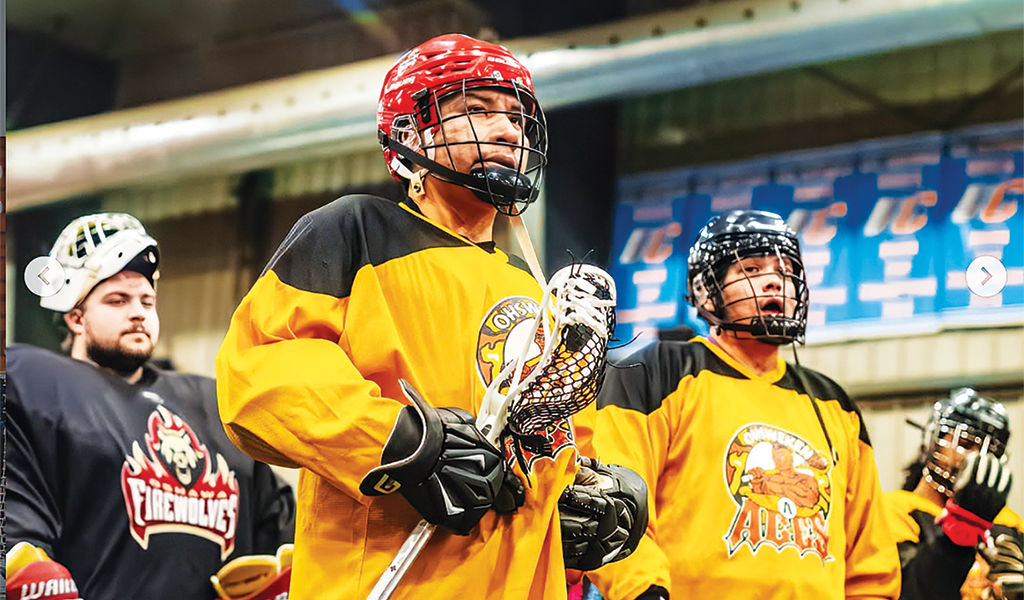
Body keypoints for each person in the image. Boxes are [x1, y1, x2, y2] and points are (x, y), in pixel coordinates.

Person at [216, 33, 645, 600]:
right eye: (476, 110)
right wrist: (400, 443)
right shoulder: (352, 231)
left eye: (516, 117)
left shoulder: (531, 286)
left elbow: (553, 427)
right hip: (386, 581)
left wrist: (581, 488)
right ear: (410, 134)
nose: (506, 130)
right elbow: (260, 375)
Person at [581, 209, 901, 599]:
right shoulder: (658, 370)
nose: (774, 282)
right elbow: (614, 502)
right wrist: (643, 591)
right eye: (751, 269)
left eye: (785, 272)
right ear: (706, 289)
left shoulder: (834, 403)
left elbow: (870, 562)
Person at [6, 212, 295, 600]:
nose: (139, 312)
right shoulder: (37, 386)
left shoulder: (213, 404)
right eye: (117, 300)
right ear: (75, 316)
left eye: (147, 300)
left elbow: (278, 534)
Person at [885, 388, 1022, 600]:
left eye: (988, 451)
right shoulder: (895, 510)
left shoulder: (1012, 524)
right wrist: (960, 531)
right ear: (932, 441)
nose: (975, 457)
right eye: (965, 444)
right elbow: (904, 592)